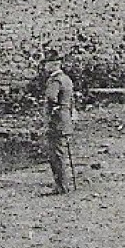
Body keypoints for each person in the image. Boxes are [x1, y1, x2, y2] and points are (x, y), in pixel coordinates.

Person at [42, 50, 76, 193]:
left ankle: (61, 186)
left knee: (56, 154)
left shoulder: (55, 80)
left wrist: (50, 116)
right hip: (66, 118)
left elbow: (51, 98)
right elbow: (71, 101)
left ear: (53, 65)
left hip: (56, 121)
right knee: (62, 152)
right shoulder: (66, 79)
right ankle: (65, 184)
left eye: (46, 64)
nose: (44, 67)